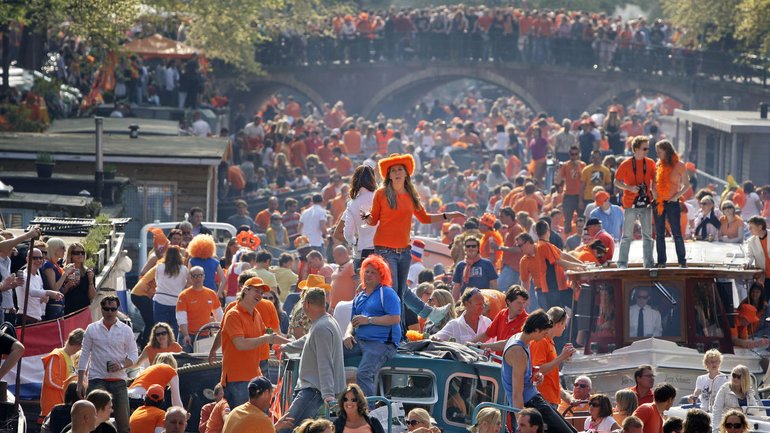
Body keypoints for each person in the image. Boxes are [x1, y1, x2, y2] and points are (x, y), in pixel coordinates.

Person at [363, 153, 462, 327]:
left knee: (401, 292)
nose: (397, 173)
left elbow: (424, 218)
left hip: (404, 251)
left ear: (406, 172)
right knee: (394, 293)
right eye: (393, 170)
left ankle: (417, 321)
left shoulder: (411, 194)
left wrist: (448, 215)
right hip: (385, 249)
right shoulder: (381, 193)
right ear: (389, 175)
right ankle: (401, 331)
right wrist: (365, 216)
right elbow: (374, 220)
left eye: (400, 169)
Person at [278, 287, 346, 432]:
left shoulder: (322, 327)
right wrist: (285, 347)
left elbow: (324, 362)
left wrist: (327, 394)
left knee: (286, 428)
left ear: (307, 304)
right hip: (312, 389)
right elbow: (307, 340)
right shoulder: (325, 321)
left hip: (313, 390)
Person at [502, 309, 577, 433]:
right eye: (544, 333)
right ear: (536, 330)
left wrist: (482, 346)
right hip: (531, 404)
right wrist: (521, 425)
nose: (545, 336)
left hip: (534, 399)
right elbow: (516, 394)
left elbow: (503, 345)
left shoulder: (517, 339)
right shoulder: (519, 352)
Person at [219, 277, 289, 407]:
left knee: (260, 416)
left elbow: (270, 335)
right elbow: (241, 344)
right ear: (245, 290)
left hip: (254, 376)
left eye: (261, 293)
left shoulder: (255, 313)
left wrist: (292, 344)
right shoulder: (233, 314)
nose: (260, 295)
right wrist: (266, 339)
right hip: (237, 379)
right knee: (241, 422)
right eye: (256, 291)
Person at [343, 255, 401, 397]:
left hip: (381, 343)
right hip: (359, 341)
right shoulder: (360, 296)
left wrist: (368, 320)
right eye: (366, 271)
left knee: (363, 374)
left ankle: (369, 412)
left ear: (381, 276)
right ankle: (333, 403)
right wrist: (347, 334)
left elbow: (395, 318)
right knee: (330, 355)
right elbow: (353, 321)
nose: (368, 274)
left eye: (373, 272)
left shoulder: (387, 292)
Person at [77, 296, 137, 433]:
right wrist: (80, 381)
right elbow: (84, 355)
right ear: (101, 309)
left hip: (119, 380)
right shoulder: (92, 329)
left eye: (113, 309)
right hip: (97, 379)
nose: (110, 312)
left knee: (124, 425)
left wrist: (121, 365)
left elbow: (134, 355)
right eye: (107, 309)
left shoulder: (125, 330)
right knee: (91, 421)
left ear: (117, 310)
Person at [615, 136, 656, 268]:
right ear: (636, 149)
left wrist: (655, 197)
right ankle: (622, 263)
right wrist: (629, 188)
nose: (647, 151)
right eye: (644, 148)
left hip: (646, 202)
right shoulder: (626, 164)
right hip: (630, 203)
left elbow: (654, 182)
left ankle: (648, 263)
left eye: (648, 148)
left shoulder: (650, 163)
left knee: (648, 235)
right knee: (627, 235)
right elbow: (616, 181)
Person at [652, 140, 689, 267]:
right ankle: (661, 261)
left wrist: (677, 196)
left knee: (677, 233)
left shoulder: (679, 165)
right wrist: (653, 193)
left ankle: (682, 261)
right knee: (659, 233)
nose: (657, 154)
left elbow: (687, 185)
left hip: (672, 203)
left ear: (667, 151)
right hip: (659, 202)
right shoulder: (658, 165)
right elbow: (653, 183)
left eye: (659, 152)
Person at [530, 307, 576, 407]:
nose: (564, 328)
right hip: (542, 402)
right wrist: (562, 357)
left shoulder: (550, 342)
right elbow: (538, 371)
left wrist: (569, 398)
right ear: (559, 324)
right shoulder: (541, 341)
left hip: (549, 402)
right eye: (564, 325)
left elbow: (552, 379)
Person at [176, 266, 224, 350]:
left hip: (204, 335)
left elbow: (219, 315)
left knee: (203, 361)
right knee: (185, 361)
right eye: (194, 276)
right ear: (190, 278)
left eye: (200, 275)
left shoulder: (211, 294)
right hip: (188, 336)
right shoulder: (183, 295)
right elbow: (181, 318)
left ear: (204, 276)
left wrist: (224, 330)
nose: (197, 278)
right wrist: (186, 335)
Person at [222, 376, 292, 433]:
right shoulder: (262, 420)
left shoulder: (235, 412)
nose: (272, 397)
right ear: (266, 393)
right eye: (272, 393)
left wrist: (275, 427)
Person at [469, 286, 528, 353]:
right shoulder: (502, 314)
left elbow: (508, 344)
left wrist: (478, 346)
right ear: (508, 301)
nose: (522, 306)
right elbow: (486, 335)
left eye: (524, 303)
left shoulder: (526, 321)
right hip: (498, 362)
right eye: (519, 303)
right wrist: (467, 345)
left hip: (512, 362)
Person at [41, 328, 84, 419]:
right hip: (52, 408)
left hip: (62, 407)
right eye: (82, 347)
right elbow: (50, 380)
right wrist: (70, 388)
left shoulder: (70, 358)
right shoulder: (57, 355)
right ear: (78, 344)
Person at [15, 248, 65, 324]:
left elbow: (41, 296)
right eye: (34, 258)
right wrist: (49, 293)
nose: (38, 260)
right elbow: (32, 292)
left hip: (37, 318)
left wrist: (45, 297)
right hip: (26, 317)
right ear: (27, 259)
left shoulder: (38, 277)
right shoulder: (24, 276)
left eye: (40, 258)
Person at [153, 247, 190, 337]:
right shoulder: (184, 269)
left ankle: (161, 348)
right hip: (176, 301)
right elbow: (187, 283)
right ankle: (173, 348)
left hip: (160, 300)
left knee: (160, 329)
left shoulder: (160, 267)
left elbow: (157, 281)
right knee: (174, 329)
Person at [711, 365, 757, 433]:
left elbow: (755, 410)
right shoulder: (725, 388)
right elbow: (717, 410)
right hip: (728, 426)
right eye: (734, 375)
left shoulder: (748, 391)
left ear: (744, 378)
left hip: (743, 427)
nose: (735, 378)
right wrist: (715, 430)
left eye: (739, 377)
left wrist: (743, 409)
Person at [452, 235, 498, 299]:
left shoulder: (487, 264)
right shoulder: (460, 265)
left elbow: (493, 284)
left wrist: (495, 299)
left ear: (478, 248)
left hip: (484, 299)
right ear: (465, 248)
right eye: (468, 246)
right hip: (466, 301)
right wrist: (454, 304)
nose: (471, 248)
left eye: (473, 246)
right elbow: (456, 287)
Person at [745, 216, 770, 300]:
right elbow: (750, 256)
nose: (749, 229)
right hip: (764, 276)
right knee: (765, 302)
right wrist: (748, 263)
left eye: (751, 227)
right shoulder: (751, 241)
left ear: (760, 227)